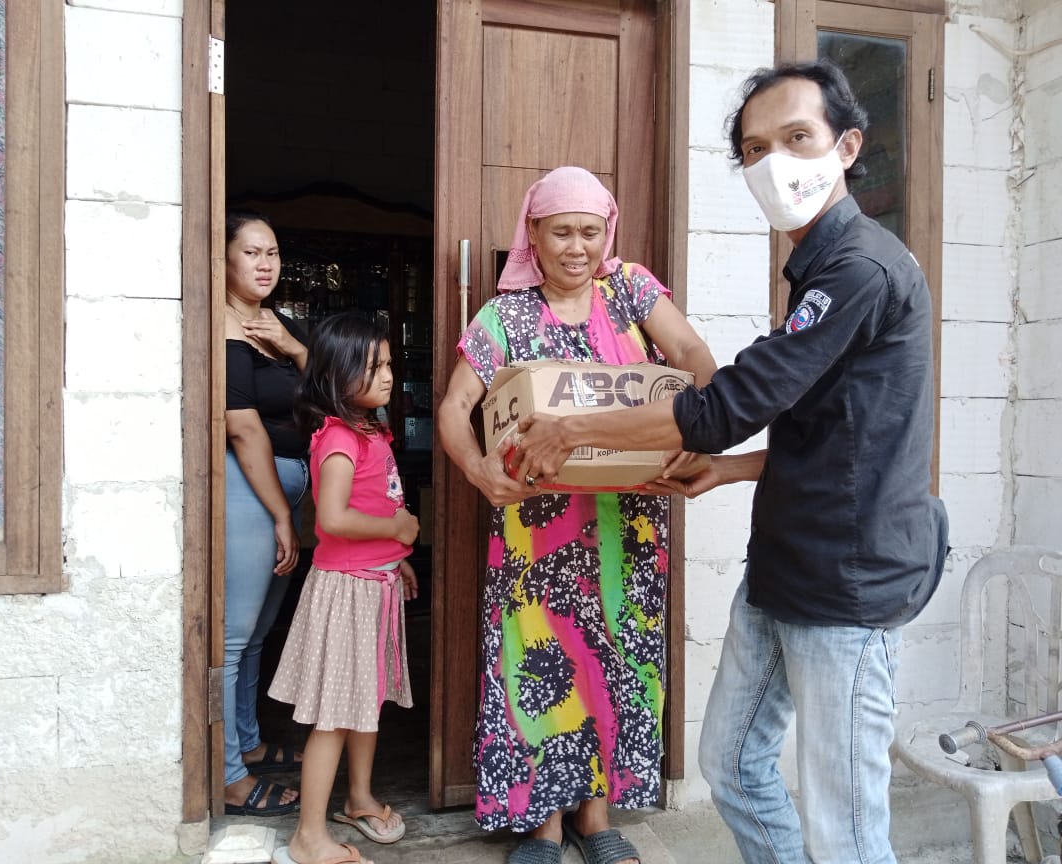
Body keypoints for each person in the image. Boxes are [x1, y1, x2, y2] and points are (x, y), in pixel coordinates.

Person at [512, 62, 950, 864]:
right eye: (755, 148)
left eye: (797, 138)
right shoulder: (819, 266)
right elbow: (834, 433)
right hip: (785, 564)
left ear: (846, 146)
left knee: (845, 827)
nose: (774, 162)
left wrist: (573, 428)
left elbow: (721, 405)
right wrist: (733, 472)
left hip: (846, 587)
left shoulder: (859, 267)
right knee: (735, 767)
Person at [437, 166, 717, 864]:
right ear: (533, 234)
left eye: (590, 232)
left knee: (616, 662)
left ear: (607, 233)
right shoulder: (506, 316)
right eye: (561, 231)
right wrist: (477, 472)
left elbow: (690, 356)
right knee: (542, 666)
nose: (576, 247)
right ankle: (543, 826)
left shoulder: (630, 289)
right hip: (538, 531)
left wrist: (704, 427)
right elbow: (452, 406)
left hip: (627, 523)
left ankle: (596, 820)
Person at [268, 312, 420, 864]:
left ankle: (358, 799)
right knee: (334, 714)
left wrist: (396, 558)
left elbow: (372, 501)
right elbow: (330, 520)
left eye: (388, 364)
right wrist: (397, 529)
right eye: (373, 366)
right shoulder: (336, 437)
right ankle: (308, 836)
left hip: (374, 584)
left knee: (365, 703)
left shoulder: (369, 431)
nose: (387, 376)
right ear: (337, 373)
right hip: (347, 592)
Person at [223, 210, 310, 817]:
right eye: (252, 252)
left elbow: (335, 390)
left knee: (257, 635)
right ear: (225, 259)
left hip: (291, 485)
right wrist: (282, 515)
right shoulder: (221, 327)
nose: (264, 264)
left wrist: (294, 346)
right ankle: (228, 776)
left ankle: (248, 745)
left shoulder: (278, 326)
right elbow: (244, 429)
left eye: (272, 252)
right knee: (232, 637)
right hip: (250, 489)